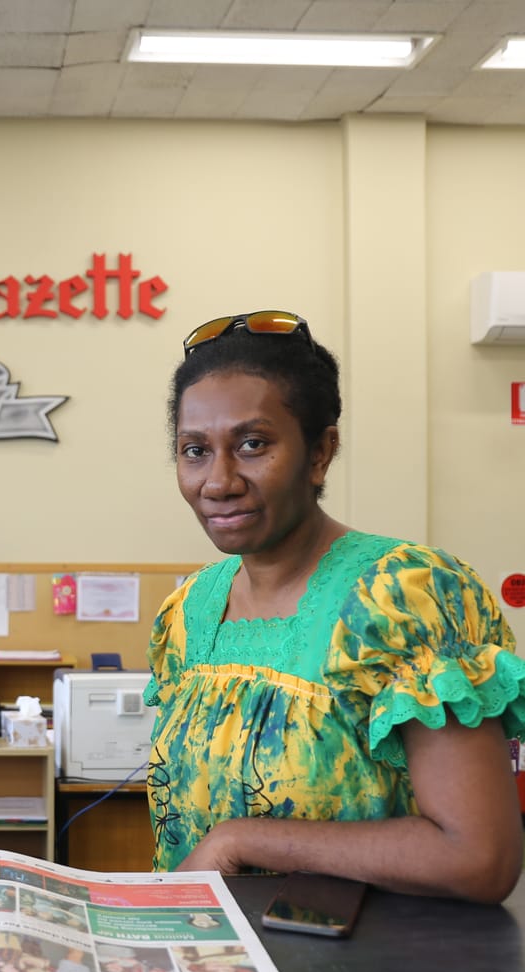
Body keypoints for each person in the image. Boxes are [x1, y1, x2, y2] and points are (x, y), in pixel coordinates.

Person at [146, 310, 525, 904]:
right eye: (195, 450)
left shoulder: (404, 596)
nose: (217, 481)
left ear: (321, 453)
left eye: (252, 445)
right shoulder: (189, 610)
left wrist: (243, 840)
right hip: (210, 969)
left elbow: (479, 858)